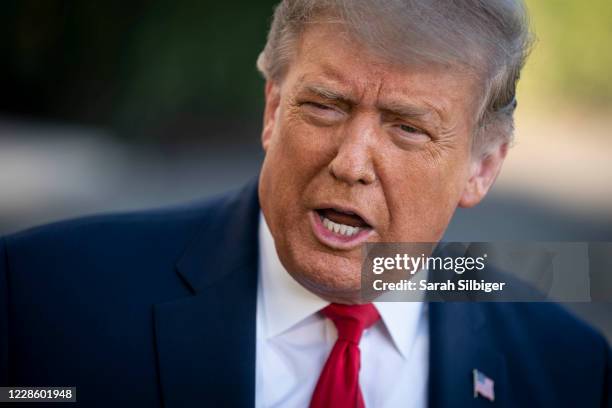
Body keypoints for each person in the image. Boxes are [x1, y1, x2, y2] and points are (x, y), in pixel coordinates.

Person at [1, 0, 610, 407]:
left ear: (481, 169)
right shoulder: (36, 298)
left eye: (407, 127)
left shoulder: (571, 370)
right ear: (272, 110)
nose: (350, 162)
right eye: (325, 106)